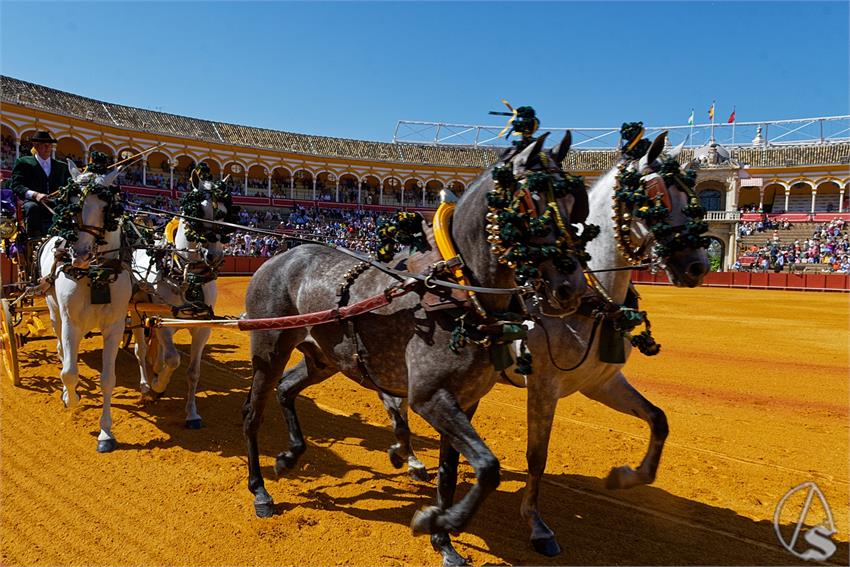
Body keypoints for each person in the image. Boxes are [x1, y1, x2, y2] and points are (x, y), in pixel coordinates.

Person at [9, 131, 71, 239]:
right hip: (33, 203)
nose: (48, 148)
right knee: (32, 208)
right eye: (45, 145)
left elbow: (68, 186)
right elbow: (16, 185)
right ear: (36, 146)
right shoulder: (24, 162)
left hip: (56, 203)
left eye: (50, 145)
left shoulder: (62, 167)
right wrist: (35, 195)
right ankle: (34, 239)